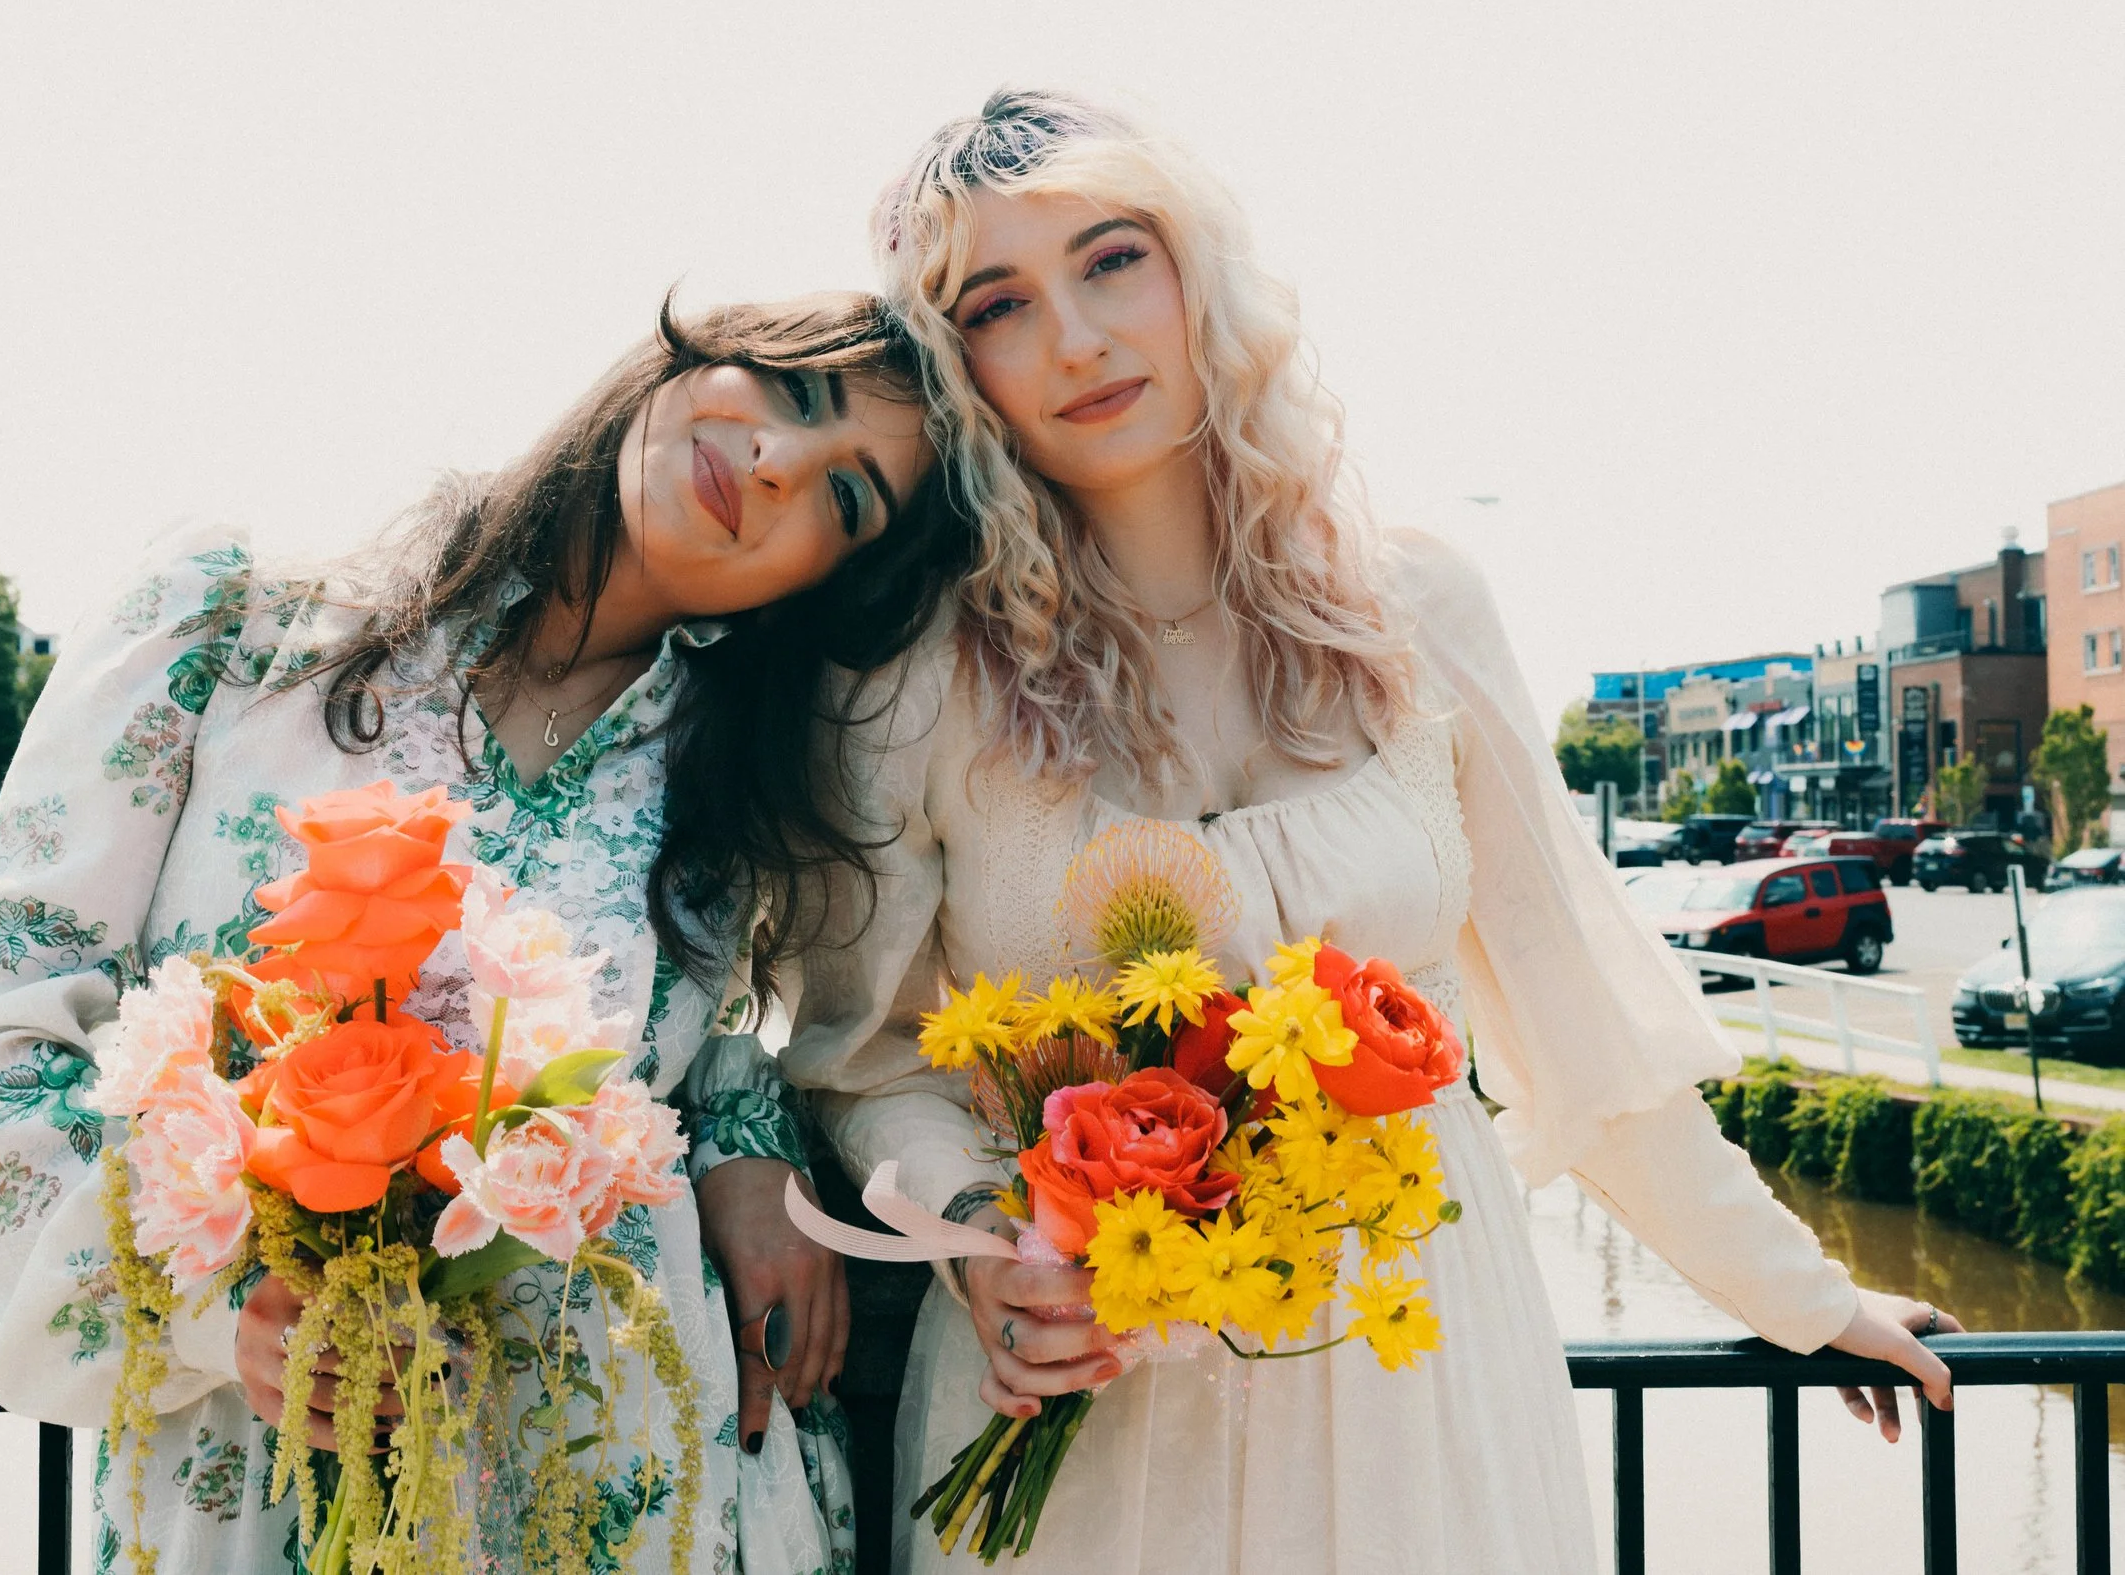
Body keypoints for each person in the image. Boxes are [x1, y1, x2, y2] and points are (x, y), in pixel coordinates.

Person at [781, 91, 1958, 1574]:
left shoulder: (1414, 609)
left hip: (1420, 1376)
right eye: (999, 305)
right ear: (955, 372)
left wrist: (1804, 1299)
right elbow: (859, 1054)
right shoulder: (914, 675)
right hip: (1087, 1406)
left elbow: (1575, 1023)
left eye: (1113, 259)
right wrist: (984, 1251)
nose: (1075, 337)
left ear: (1198, 268)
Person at [0, 293, 971, 1574]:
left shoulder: (733, 785)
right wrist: (225, 1313)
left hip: (641, 1489)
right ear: (692, 357)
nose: (782, 465)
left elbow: (706, 1023)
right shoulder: (240, 624)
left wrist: (741, 1144)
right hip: (271, 1472)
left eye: (845, 502)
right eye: (792, 394)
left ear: (817, 584)